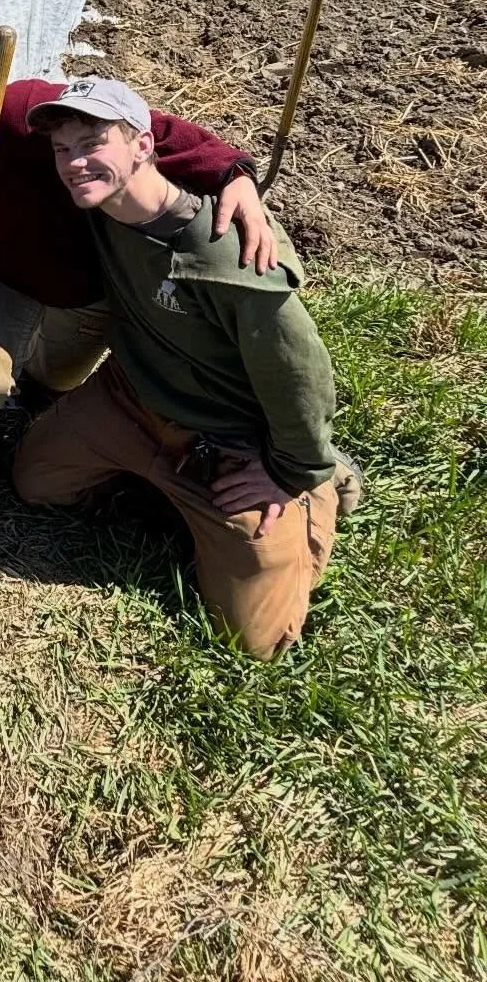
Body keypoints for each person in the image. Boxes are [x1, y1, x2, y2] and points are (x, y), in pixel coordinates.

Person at [0, 47, 277, 498]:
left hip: (81, 289)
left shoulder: (11, 110)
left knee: (54, 381)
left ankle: (30, 403)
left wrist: (229, 171)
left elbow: (143, 127)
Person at [17, 77, 348, 657]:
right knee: (34, 483)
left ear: (144, 146)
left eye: (92, 143)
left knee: (255, 640)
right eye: (62, 149)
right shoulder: (100, 209)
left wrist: (291, 468)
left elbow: (303, 373)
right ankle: (165, 485)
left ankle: (320, 486)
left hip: (228, 438)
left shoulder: (225, 249)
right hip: (132, 397)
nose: (74, 162)